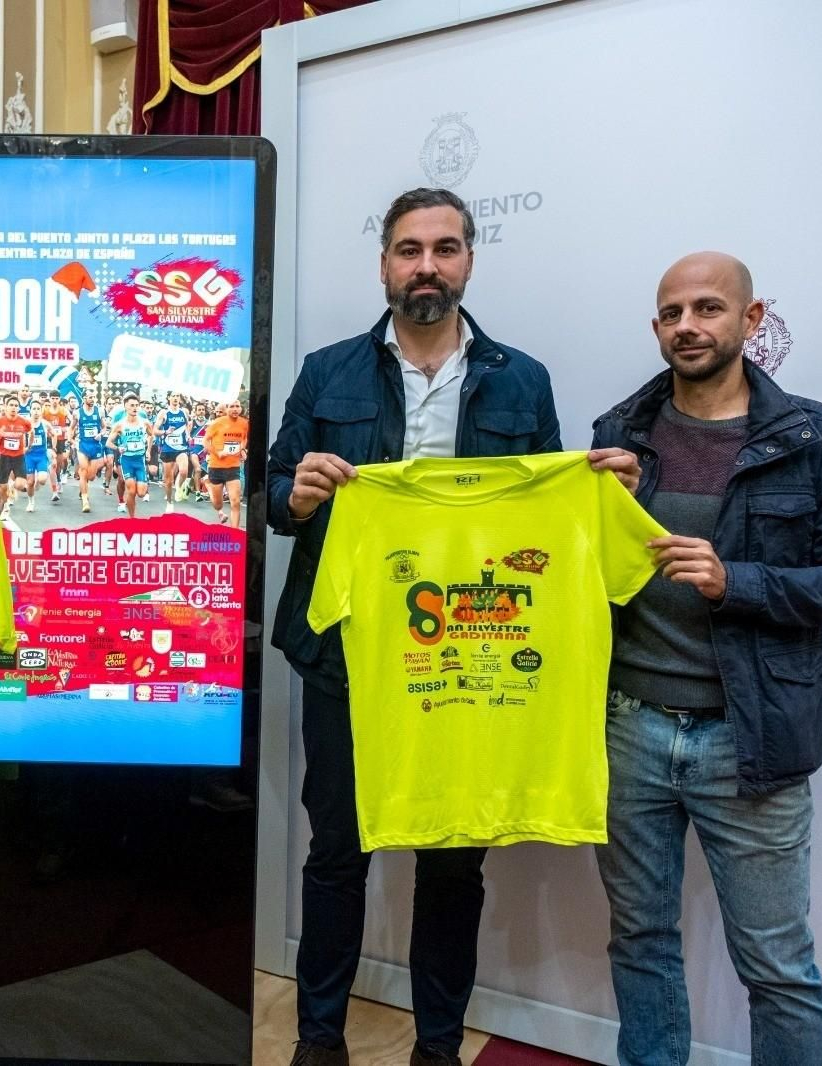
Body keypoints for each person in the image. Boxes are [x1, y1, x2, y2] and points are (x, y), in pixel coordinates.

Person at [267, 187, 562, 1066]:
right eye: (408, 249)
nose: (425, 266)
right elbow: (271, 496)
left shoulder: (523, 379)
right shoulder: (328, 371)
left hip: (465, 652)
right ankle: (319, 1041)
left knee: (451, 863)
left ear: (469, 259)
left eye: (443, 248)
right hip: (348, 649)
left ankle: (437, 1049)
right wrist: (297, 493)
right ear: (386, 263)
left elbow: (540, 518)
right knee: (338, 851)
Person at [587, 252, 822, 1066]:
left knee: (777, 967)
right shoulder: (618, 434)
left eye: (709, 308)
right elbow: (583, 576)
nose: (689, 325)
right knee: (638, 940)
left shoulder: (816, 436)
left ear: (752, 321)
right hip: (628, 730)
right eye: (672, 313)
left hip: (750, 738)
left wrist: (734, 580)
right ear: (656, 329)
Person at [105, 394, 154, 518]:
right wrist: (118, 448)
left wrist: (148, 450)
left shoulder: (145, 423)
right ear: (125, 406)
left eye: (137, 405)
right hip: (127, 460)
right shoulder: (120, 425)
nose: (135, 408)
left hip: (140, 460)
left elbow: (151, 435)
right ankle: (132, 518)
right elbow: (108, 442)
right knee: (131, 491)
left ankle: (134, 499)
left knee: (141, 493)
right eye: (132, 405)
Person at [203, 400, 250, 527]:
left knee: (235, 502)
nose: (235, 409)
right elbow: (206, 441)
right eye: (232, 406)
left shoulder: (244, 423)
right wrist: (218, 453)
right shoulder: (217, 423)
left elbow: (244, 438)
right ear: (226, 408)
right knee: (218, 504)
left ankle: (234, 532)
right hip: (216, 467)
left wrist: (242, 449)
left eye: (237, 406)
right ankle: (208, 485)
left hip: (233, 468)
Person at [0, 396, 33, 516]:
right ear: (6, 407)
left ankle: (12, 486)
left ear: (18, 408)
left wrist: (29, 445)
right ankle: (5, 506)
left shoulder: (24, 422)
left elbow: (32, 431)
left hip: (19, 456)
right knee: (2, 487)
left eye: (16, 405)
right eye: (11, 405)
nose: (13, 408)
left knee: (20, 485)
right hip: (4, 457)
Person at [75, 388, 111, 514]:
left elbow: (104, 427)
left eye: (93, 397)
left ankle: (83, 484)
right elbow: (71, 427)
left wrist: (101, 434)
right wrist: (70, 438)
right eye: (90, 397)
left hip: (95, 445)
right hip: (82, 445)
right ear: (84, 398)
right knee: (83, 470)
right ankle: (85, 500)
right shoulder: (77, 413)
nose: (92, 399)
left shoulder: (99, 411)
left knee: (91, 476)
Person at [156, 393, 193, 512]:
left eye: (178, 396)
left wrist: (188, 435)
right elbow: (154, 430)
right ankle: (169, 502)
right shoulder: (164, 413)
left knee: (183, 471)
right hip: (167, 448)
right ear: (169, 398)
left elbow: (187, 426)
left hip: (181, 447)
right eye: (173, 396)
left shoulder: (184, 412)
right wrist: (165, 432)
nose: (176, 398)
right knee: (168, 479)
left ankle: (178, 487)